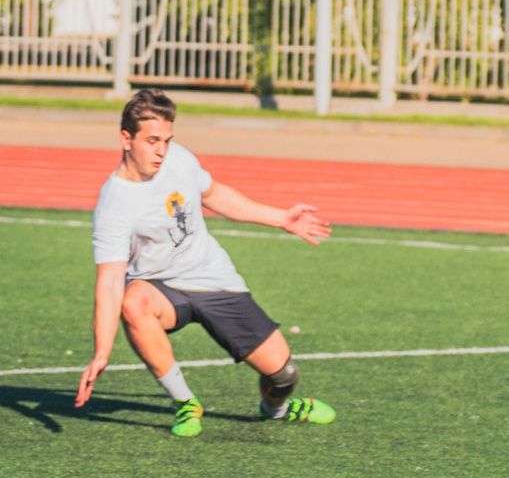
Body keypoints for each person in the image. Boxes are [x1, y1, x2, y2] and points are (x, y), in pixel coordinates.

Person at [75, 87, 337, 435]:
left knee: (283, 375)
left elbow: (215, 195)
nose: (161, 151)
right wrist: (102, 352)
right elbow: (109, 282)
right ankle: (185, 402)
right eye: (152, 141)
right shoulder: (114, 204)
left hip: (211, 276)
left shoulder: (178, 159)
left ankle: (276, 410)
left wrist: (280, 218)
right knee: (132, 302)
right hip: (159, 287)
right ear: (126, 139)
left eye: (166, 140)